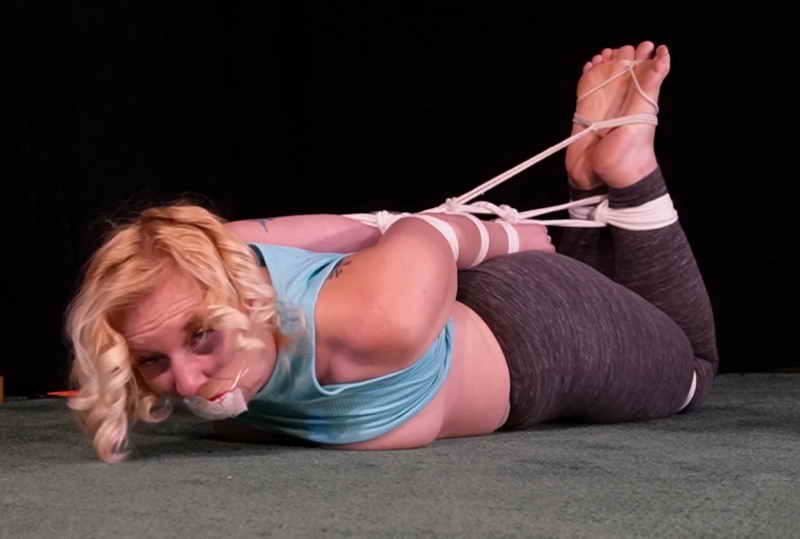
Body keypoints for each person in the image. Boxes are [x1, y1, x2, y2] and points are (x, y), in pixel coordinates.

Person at [66, 41, 718, 463]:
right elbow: (355, 226)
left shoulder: (375, 320)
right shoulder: (208, 255)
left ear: (240, 301)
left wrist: (504, 236)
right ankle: (591, 174)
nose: (185, 384)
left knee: (691, 368)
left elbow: (426, 230)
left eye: (200, 336)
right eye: (153, 360)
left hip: (537, 330)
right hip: (455, 307)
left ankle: (629, 168)